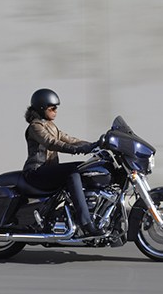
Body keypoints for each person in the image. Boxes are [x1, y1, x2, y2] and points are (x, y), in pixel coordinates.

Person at [22, 88, 102, 236]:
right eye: (52, 108)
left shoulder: (50, 125)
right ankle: (85, 223)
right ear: (42, 108)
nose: (55, 111)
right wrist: (75, 150)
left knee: (83, 168)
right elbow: (51, 143)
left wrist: (95, 145)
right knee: (73, 171)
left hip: (48, 170)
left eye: (56, 108)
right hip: (37, 171)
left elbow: (70, 139)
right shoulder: (36, 126)